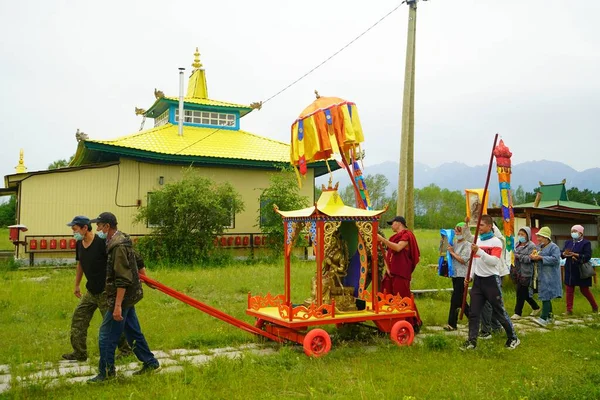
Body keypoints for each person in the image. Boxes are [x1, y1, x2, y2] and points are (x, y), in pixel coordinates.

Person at [87, 212, 159, 382]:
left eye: (99, 225)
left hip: (122, 297)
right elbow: (138, 259)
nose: (97, 229)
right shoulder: (123, 238)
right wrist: (146, 279)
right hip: (130, 295)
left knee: (106, 335)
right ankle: (150, 362)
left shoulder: (117, 246)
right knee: (132, 331)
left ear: (107, 226)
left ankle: (106, 373)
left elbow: (123, 278)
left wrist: (118, 305)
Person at [61, 215, 131, 362]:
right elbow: (80, 264)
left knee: (114, 322)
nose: (73, 232)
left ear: (85, 228)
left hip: (105, 291)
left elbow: (115, 263)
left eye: (75, 229)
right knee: (79, 318)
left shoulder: (101, 243)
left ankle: (126, 350)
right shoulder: (79, 244)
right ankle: (79, 352)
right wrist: (77, 285)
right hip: (91, 291)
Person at [461, 215, 519, 350]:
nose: (479, 228)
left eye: (481, 225)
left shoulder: (496, 242)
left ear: (489, 226)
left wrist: (479, 251)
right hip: (478, 281)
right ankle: (472, 341)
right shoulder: (478, 241)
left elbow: (493, 261)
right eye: (478, 225)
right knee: (474, 313)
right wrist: (469, 276)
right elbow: (475, 261)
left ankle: (513, 337)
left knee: (499, 312)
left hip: (491, 280)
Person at [377, 216, 422, 329]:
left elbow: (397, 248)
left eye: (392, 223)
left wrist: (382, 240)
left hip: (401, 272)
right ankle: (391, 323)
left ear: (399, 223)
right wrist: (387, 268)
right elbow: (388, 253)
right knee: (387, 295)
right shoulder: (393, 237)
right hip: (391, 272)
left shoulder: (406, 235)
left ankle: (412, 322)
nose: (391, 226)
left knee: (402, 297)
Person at [561, 225, 598, 315]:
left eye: (575, 231)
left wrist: (576, 255)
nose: (573, 233)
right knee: (569, 289)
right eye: (572, 231)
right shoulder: (568, 242)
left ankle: (595, 306)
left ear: (581, 233)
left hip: (580, 269)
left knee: (584, 290)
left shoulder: (586, 243)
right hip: (570, 268)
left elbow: (587, 256)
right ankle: (569, 310)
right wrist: (564, 253)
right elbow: (562, 253)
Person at [531, 227, 563, 327]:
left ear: (546, 237)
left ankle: (543, 318)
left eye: (540, 236)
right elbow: (536, 256)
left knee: (546, 296)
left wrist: (541, 257)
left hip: (550, 276)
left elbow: (555, 259)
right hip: (542, 275)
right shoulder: (539, 247)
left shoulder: (554, 247)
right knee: (546, 294)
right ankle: (550, 317)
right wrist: (533, 257)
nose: (538, 238)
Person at [444, 222, 471, 331]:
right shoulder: (454, 243)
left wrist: (452, 253)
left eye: (459, 231)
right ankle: (473, 318)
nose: (457, 233)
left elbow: (463, 259)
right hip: (454, 274)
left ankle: (452, 324)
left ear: (464, 232)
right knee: (460, 299)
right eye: (455, 231)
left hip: (462, 275)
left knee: (456, 298)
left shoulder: (467, 245)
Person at [511, 227, 540, 319]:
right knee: (523, 292)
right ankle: (536, 307)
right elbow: (513, 255)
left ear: (527, 235)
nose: (520, 236)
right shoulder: (516, 244)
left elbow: (530, 259)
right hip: (517, 271)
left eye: (522, 234)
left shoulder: (532, 246)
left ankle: (518, 312)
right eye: (519, 234)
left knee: (520, 292)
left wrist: (519, 256)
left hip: (526, 272)